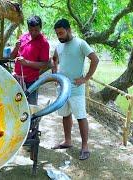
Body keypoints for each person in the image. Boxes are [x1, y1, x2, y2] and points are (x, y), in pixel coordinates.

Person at [51, 18, 99, 160]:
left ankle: (85, 146)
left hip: (77, 88)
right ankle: (68, 141)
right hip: (62, 88)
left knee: (80, 116)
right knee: (65, 115)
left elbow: (95, 59)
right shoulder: (58, 46)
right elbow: (54, 59)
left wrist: (85, 79)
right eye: (57, 34)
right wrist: (55, 75)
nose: (59, 36)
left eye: (61, 33)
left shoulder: (80, 43)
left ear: (69, 30)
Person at [10, 15, 50, 105]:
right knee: (15, 103)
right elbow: (12, 56)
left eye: (36, 30)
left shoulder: (44, 43)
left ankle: (33, 119)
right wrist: (16, 47)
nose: (33, 32)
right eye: (31, 30)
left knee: (31, 105)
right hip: (17, 78)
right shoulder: (23, 37)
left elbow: (44, 64)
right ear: (28, 28)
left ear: (40, 28)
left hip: (31, 80)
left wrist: (26, 63)